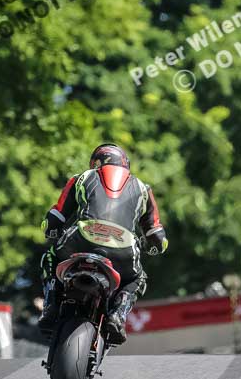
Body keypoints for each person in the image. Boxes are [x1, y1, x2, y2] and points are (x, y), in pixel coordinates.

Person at [38, 144, 168, 344]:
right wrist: (156, 247)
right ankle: (118, 314)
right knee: (137, 278)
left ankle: (50, 305)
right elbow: (156, 233)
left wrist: (49, 230)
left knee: (50, 257)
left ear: (95, 162)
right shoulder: (143, 189)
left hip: (81, 239)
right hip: (123, 248)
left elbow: (55, 216)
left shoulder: (82, 177)